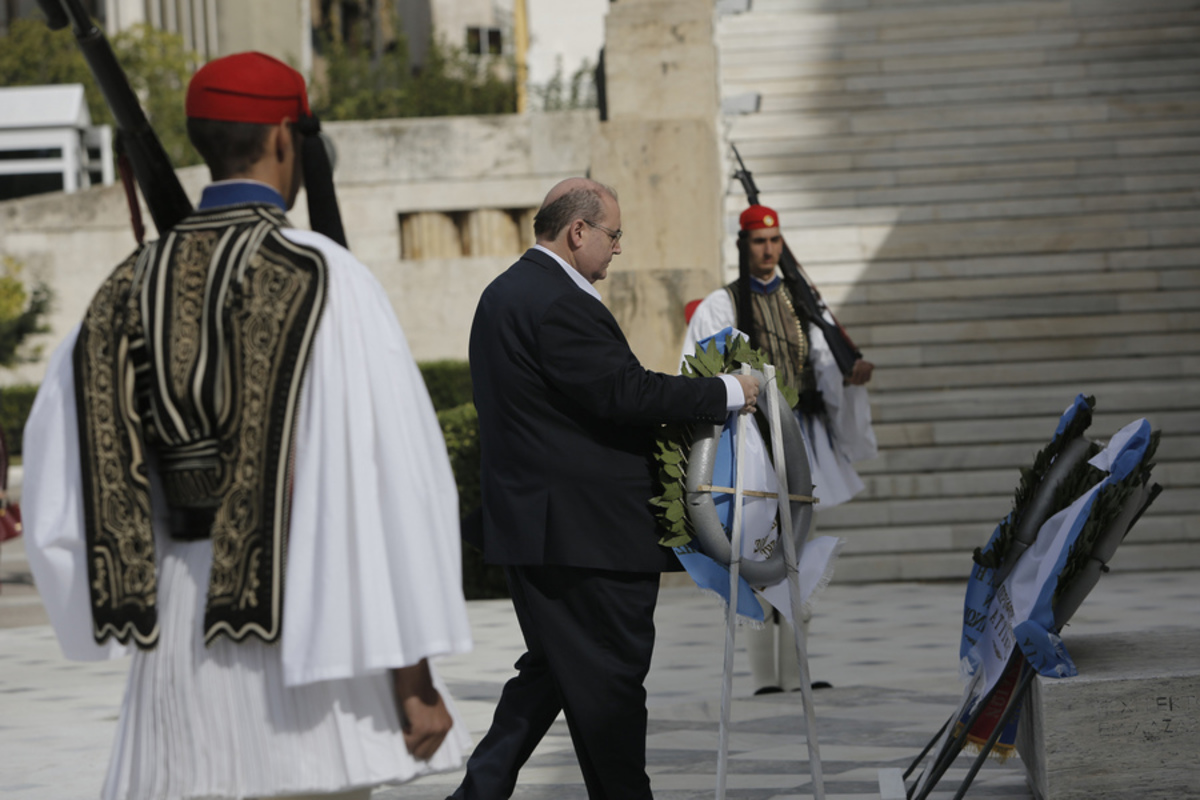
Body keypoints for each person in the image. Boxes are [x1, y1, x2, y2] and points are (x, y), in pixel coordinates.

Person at [23, 52, 473, 800]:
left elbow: (61, 493)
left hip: (176, 643)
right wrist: (413, 670)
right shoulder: (327, 276)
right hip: (309, 631)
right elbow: (385, 476)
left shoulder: (122, 288)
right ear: (284, 140)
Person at [449, 178, 759, 800]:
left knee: (553, 673)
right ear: (578, 231)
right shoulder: (557, 301)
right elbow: (626, 394)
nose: (619, 249)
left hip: (540, 529)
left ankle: (476, 794)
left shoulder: (504, 293)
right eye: (614, 235)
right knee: (610, 686)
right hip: (584, 536)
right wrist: (729, 391)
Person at [682, 203, 877, 694]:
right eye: (758, 241)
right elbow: (698, 368)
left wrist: (851, 377)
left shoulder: (803, 302)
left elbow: (828, 368)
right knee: (756, 552)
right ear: (743, 246)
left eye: (774, 241)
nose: (767, 250)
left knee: (801, 554)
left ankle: (798, 674)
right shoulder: (721, 305)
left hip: (801, 441)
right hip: (752, 444)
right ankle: (767, 678)